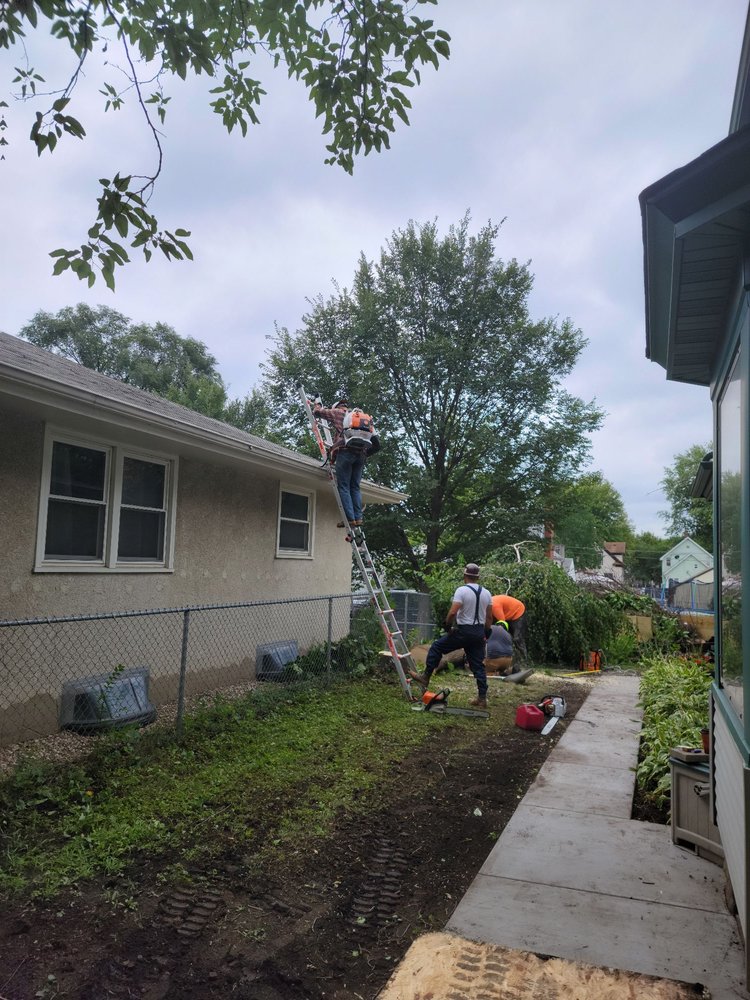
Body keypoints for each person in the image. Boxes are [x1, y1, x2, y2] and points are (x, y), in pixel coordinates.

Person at [409, 563, 494, 709]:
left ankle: (425, 677)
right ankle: (482, 698)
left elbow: (453, 612)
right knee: (478, 666)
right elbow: (489, 619)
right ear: (478, 577)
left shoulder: (462, 590)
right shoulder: (487, 593)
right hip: (478, 632)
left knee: (436, 647)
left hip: (464, 631)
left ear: (465, 575)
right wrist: (485, 634)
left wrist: (448, 626)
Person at [312, 397, 378, 528]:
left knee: (344, 487)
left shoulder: (338, 413)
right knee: (355, 487)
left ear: (336, 406)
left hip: (345, 452)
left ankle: (350, 519)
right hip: (361, 454)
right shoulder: (361, 418)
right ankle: (358, 518)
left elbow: (317, 412)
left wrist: (317, 403)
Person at [491, 593, 528, 666]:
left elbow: (503, 625)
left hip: (518, 611)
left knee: (517, 638)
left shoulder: (495, 606)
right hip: (507, 614)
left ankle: (524, 661)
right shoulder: (486, 607)